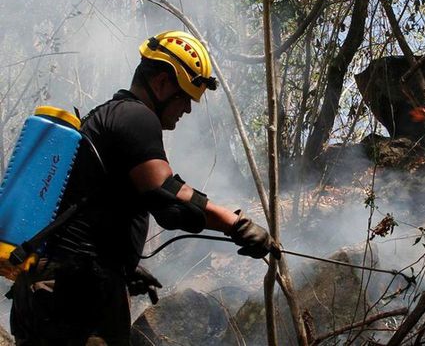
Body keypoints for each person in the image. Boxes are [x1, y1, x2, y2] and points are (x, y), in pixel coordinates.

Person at [8, 30, 276, 346]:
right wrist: (237, 225)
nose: (187, 110)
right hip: (72, 297)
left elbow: (95, 209)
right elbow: (170, 199)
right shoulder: (136, 117)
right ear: (162, 82)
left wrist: (122, 267)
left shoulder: (108, 116)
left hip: (61, 291)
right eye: (185, 97)